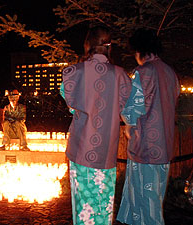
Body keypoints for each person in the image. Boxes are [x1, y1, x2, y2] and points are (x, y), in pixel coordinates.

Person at [62, 26, 131, 225]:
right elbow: (132, 107)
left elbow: (70, 103)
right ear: (109, 46)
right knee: (104, 203)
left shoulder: (73, 72)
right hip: (106, 150)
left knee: (82, 204)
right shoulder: (120, 75)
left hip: (81, 148)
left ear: (88, 45)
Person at [116, 28, 180, 225]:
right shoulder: (170, 73)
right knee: (154, 198)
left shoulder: (143, 72)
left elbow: (130, 110)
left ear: (139, 50)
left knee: (145, 203)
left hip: (145, 146)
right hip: (164, 145)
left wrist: (128, 123)